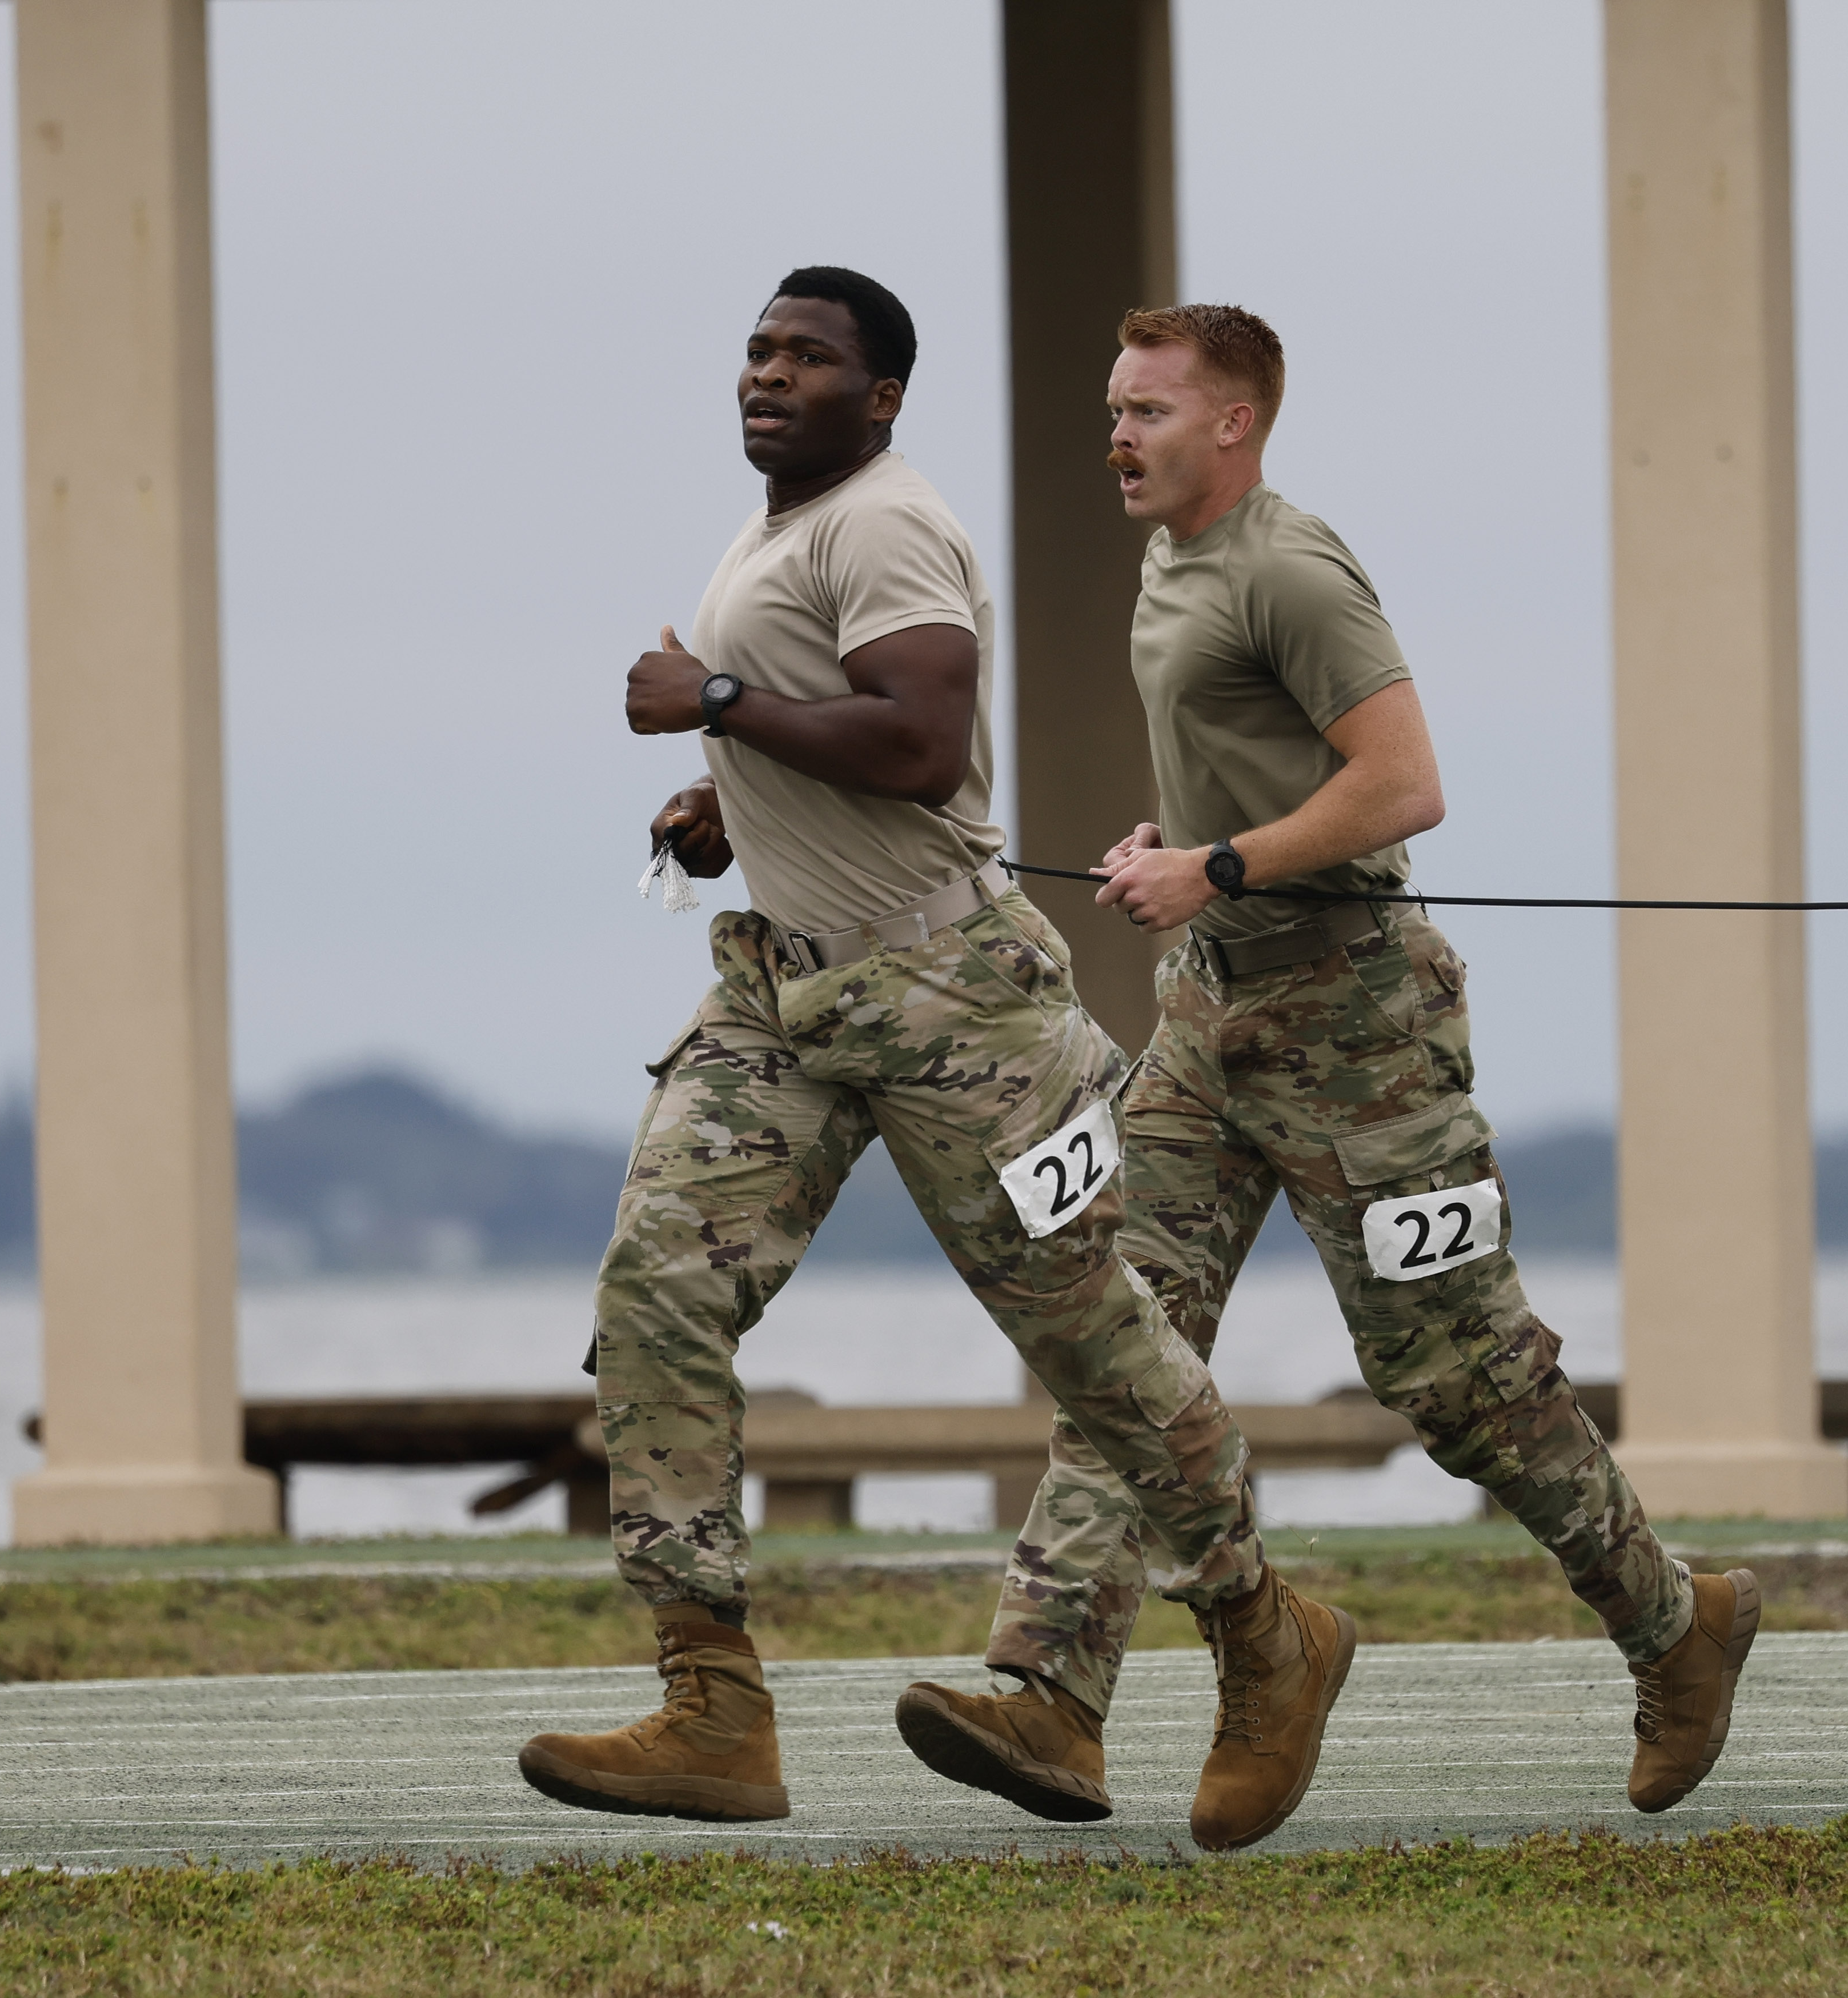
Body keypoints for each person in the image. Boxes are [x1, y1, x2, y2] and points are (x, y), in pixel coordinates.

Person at [515, 267, 1350, 1851]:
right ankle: (714, 1708)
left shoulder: (885, 522)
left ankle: (1265, 1632)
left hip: (958, 1007)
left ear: (882, 394)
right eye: (759, 349)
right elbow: (842, 744)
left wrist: (716, 699)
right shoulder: (772, 534)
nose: (769, 373)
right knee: (657, 1293)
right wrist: (729, 800)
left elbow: (916, 735)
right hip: (787, 1001)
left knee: (1096, 1337)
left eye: (810, 356)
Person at [896, 304, 1758, 1831]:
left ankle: (1676, 1627)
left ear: (1236, 424)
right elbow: (1271, 771)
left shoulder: (1292, 564)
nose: (1118, 434)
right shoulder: (1172, 562)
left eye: (1150, 411)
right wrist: (1184, 849)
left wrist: (1220, 861)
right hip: (1209, 1021)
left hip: (1362, 1032)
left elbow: (1406, 781)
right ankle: (1053, 1697)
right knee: (1123, 1334)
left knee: (1460, 1381)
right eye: (1114, 407)